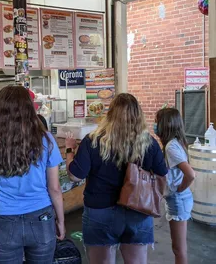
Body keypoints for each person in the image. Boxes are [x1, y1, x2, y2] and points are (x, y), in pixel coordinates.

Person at [65, 93, 168, 264]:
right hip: (138, 210)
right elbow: (162, 177)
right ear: (138, 116)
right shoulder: (149, 143)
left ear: (110, 114)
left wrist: (69, 150)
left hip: (100, 211)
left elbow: (75, 176)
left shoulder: (92, 141)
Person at [0, 86, 65, 264]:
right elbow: (54, 188)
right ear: (29, 108)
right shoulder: (46, 139)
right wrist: (60, 221)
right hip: (41, 219)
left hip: (4, 221)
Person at [155, 108, 195, 264]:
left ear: (166, 124)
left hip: (178, 200)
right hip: (177, 200)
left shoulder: (171, 147)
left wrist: (180, 189)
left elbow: (190, 174)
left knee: (179, 250)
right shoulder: (175, 143)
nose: (155, 125)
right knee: (179, 248)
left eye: (158, 121)